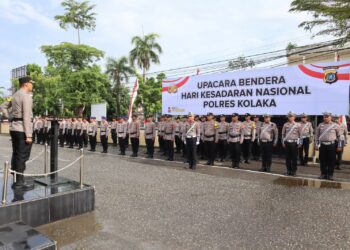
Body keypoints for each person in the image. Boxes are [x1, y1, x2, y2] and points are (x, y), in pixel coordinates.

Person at [10, 76, 35, 190]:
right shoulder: (26, 96)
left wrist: (9, 117)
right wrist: (29, 135)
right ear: (26, 84)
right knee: (22, 155)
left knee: (16, 154)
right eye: (31, 83)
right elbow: (26, 117)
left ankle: (16, 179)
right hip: (22, 130)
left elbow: (2, 106)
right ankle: (19, 183)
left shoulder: (14, 95)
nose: (32, 85)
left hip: (14, 128)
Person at [315, 112, 341, 180]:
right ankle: (323, 174)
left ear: (331, 117)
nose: (325, 118)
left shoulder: (335, 125)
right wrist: (317, 145)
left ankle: (330, 175)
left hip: (332, 145)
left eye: (327, 116)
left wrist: (339, 146)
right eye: (324, 117)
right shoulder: (320, 125)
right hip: (322, 145)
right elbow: (317, 136)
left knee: (331, 161)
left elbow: (339, 136)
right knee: (322, 160)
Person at [282, 112, 302, 176]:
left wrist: (300, 143)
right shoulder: (285, 124)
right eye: (289, 116)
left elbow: (300, 134)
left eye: (292, 116)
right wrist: (283, 142)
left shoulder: (298, 125)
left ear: (294, 117)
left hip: (294, 143)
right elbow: (283, 134)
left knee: (294, 158)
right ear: (288, 117)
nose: (290, 118)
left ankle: (294, 171)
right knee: (288, 158)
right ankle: (288, 170)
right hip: (287, 142)